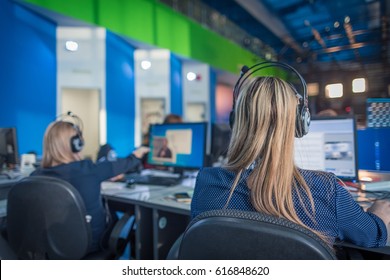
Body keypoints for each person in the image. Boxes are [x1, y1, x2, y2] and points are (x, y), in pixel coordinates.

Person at [191, 76, 390, 248]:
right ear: (299, 123)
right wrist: (379, 215)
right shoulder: (326, 191)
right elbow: (373, 236)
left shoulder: (206, 183)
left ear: (236, 121)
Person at [31, 117, 149, 253]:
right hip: (89, 245)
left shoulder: (35, 176)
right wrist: (137, 154)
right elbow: (124, 164)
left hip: (52, 247)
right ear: (77, 145)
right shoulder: (88, 170)